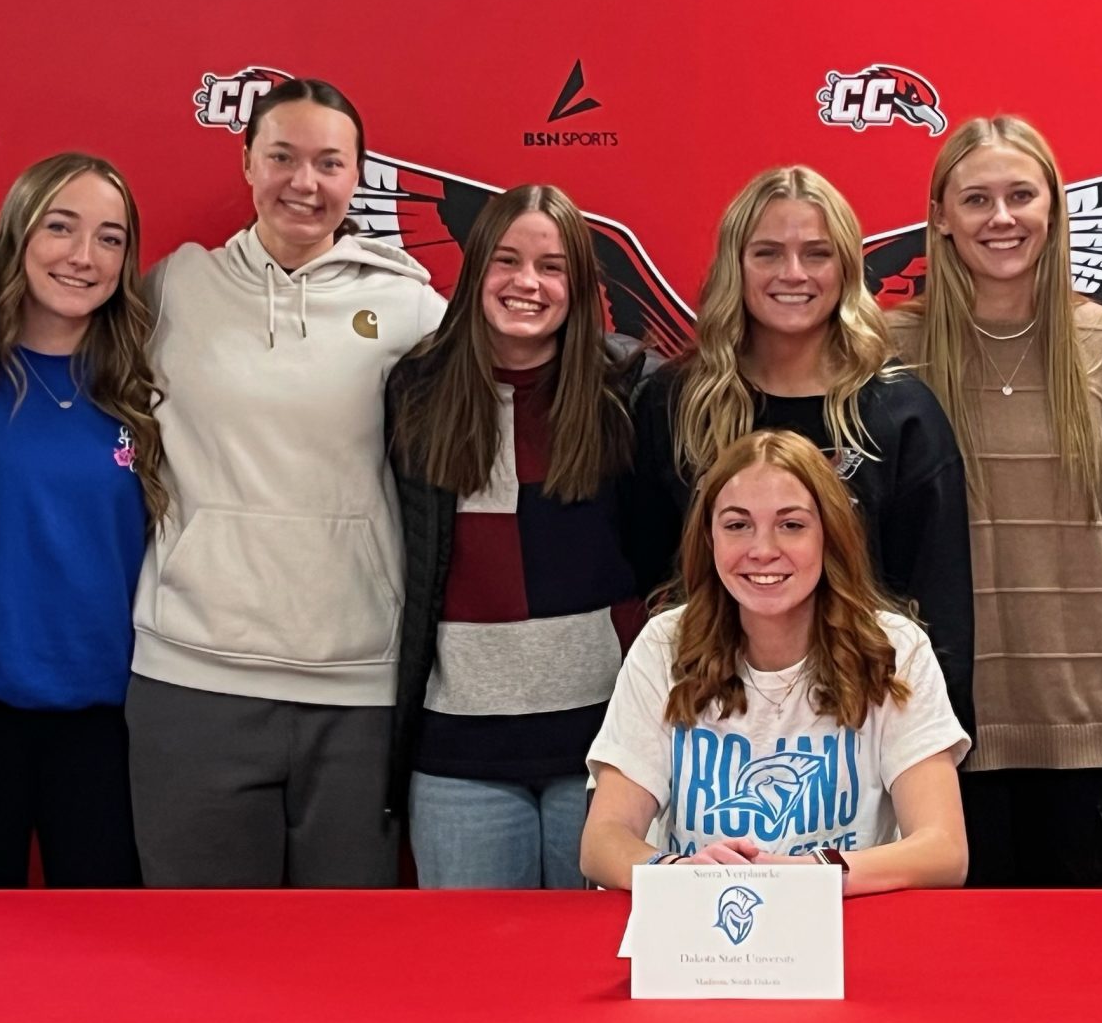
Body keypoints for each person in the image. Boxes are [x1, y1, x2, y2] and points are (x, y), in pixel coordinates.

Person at [128, 77, 445, 887]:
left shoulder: (411, 308)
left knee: (337, 967)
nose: (304, 182)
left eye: (329, 163)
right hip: (193, 677)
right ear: (247, 163)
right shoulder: (171, 292)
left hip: (357, 685)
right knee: (200, 959)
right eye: (283, 157)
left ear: (357, 177)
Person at [885, 115, 1102, 888]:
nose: (1001, 218)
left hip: (1085, 718)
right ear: (940, 218)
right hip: (938, 724)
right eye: (977, 200)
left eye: (1021, 196)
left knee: (1095, 985)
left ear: (1055, 210)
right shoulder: (891, 346)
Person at [629, 165, 974, 731]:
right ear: (734, 266)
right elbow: (647, 578)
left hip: (865, 721)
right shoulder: (674, 404)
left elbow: (942, 604)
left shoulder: (898, 411)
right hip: (708, 719)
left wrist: (935, 748)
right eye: (767, 253)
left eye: (816, 253)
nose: (793, 273)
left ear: (846, 268)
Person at [387, 184, 650, 888]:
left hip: (606, 753)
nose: (527, 283)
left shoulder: (630, 386)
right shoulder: (417, 387)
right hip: (457, 755)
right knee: (474, 981)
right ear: (475, 271)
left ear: (581, 285)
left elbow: (661, 554)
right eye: (506, 261)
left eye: (552, 266)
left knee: (591, 976)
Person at [581, 430, 968, 893]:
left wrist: (810, 875)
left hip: (848, 926)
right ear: (708, 537)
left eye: (791, 525)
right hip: (701, 930)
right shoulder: (665, 645)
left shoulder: (895, 648)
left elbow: (945, 849)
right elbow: (602, 842)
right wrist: (677, 872)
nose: (762, 549)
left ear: (830, 534)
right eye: (737, 525)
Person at [0, 153, 164, 889]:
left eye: (110, 238)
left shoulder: (148, 380)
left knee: (106, 954)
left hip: (113, 716)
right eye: (61, 228)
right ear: (20, 235)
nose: (83, 257)